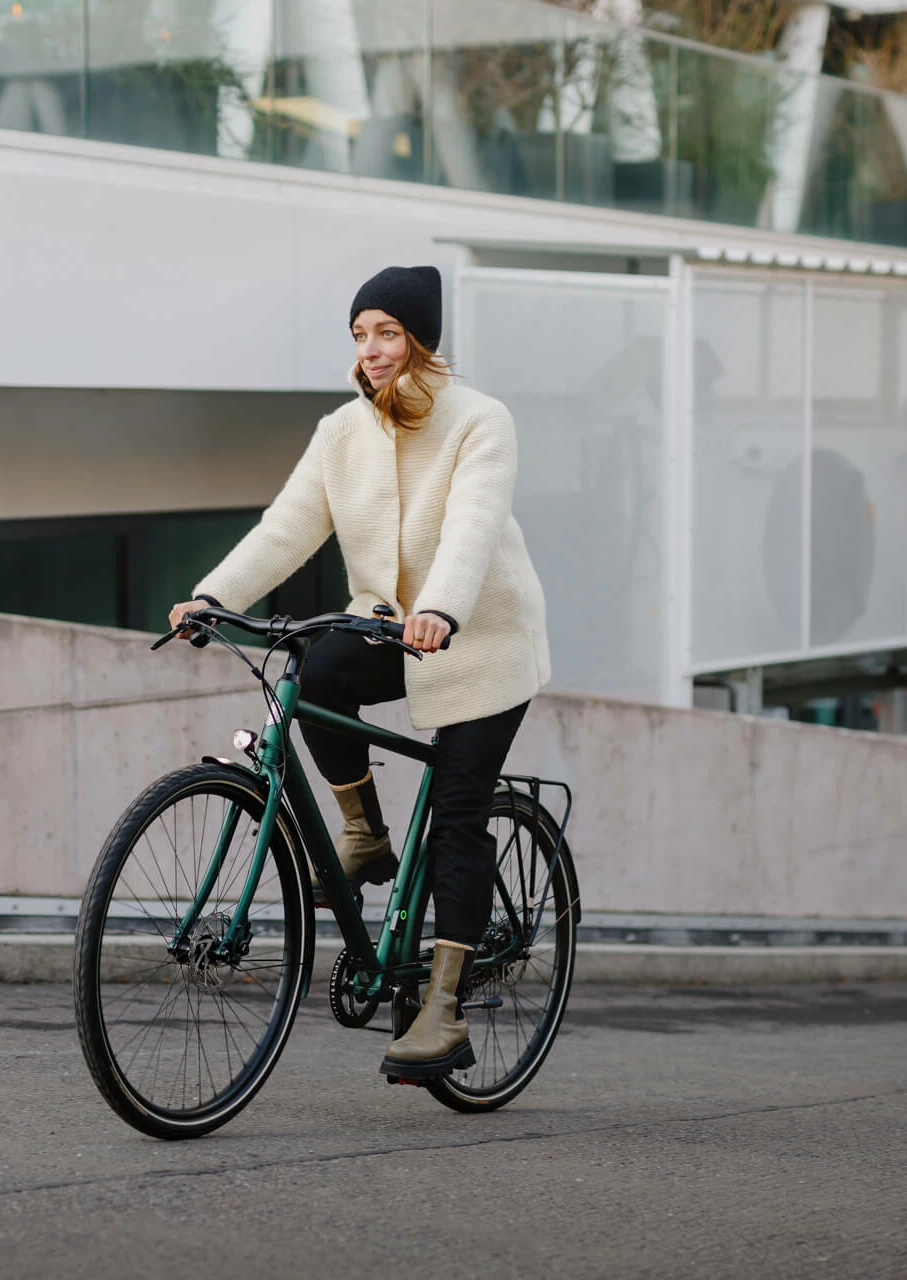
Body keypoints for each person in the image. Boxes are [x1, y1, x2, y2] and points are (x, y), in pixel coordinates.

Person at [167, 265, 550, 1081]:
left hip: (480, 634)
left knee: (456, 813)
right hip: (388, 624)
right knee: (311, 672)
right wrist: (211, 595)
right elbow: (286, 528)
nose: (371, 350)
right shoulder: (341, 431)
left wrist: (442, 607)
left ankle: (442, 1011)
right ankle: (364, 834)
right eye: (359, 335)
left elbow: (473, 530)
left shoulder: (481, 421)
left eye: (386, 332)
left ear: (419, 337)